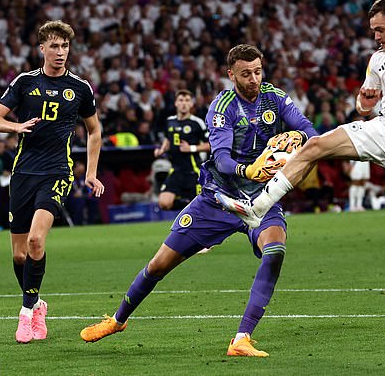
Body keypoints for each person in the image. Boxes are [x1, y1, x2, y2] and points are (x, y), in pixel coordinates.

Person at [80, 44, 318, 357]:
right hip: (216, 199)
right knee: (159, 265)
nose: (254, 79)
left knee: (275, 251)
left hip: (261, 199)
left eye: (258, 71)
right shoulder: (223, 106)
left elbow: (309, 131)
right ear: (231, 74)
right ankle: (118, 319)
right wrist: (249, 168)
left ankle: (242, 338)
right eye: (246, 74)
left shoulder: (275, 97)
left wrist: (298, 140)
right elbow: (220, 159)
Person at [216, 0, 385, 242]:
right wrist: (364, 101)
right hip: (383, 129)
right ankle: (258, 207)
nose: (375, 36)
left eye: (379, 29)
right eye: (373, 30)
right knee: (316, 146)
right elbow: (363, 107)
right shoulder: (377, 59)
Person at [0, 20, 105, 343]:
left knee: (37, 241)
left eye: (65, 46)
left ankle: (25, 315)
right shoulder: (25, 83)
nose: (60, 52)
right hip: (23, 173)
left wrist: (90, 173)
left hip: (57, 172)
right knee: (20, 255)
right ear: (42, 49)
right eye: (54, 46)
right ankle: (37, 304)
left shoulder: (80, 88)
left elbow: (95, 131)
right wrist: (16, 127)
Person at [153, 89, 210, 210]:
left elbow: (210, 145)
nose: (184, 103)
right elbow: (169, 139)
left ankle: (191, 206)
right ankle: (188, 203)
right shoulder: (170, 121)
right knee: (164, 203)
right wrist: (161, 150)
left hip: (193, 171)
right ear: (176, 103)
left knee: (201, 209)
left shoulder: (197, 123)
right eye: (181, 100)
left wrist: (191, 148)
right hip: (176, 171)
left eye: (187, 100)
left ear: (191, 104)